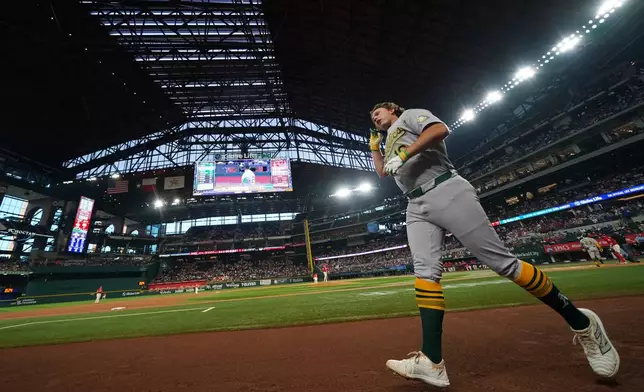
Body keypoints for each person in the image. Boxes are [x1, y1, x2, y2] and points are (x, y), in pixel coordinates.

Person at [368, 102, 619, 387]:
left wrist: (404, 152)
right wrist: (376, 149)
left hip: (445, 188)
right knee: (425, 272)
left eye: (378, 112)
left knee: (503, 264)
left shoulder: (410, 116)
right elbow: (382, 174)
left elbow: (440, 129)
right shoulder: (386, 140)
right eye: (372, 117)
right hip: (415, 204)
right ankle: (431, 362)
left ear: (392, 110)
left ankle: (583, 324)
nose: (375, 117)